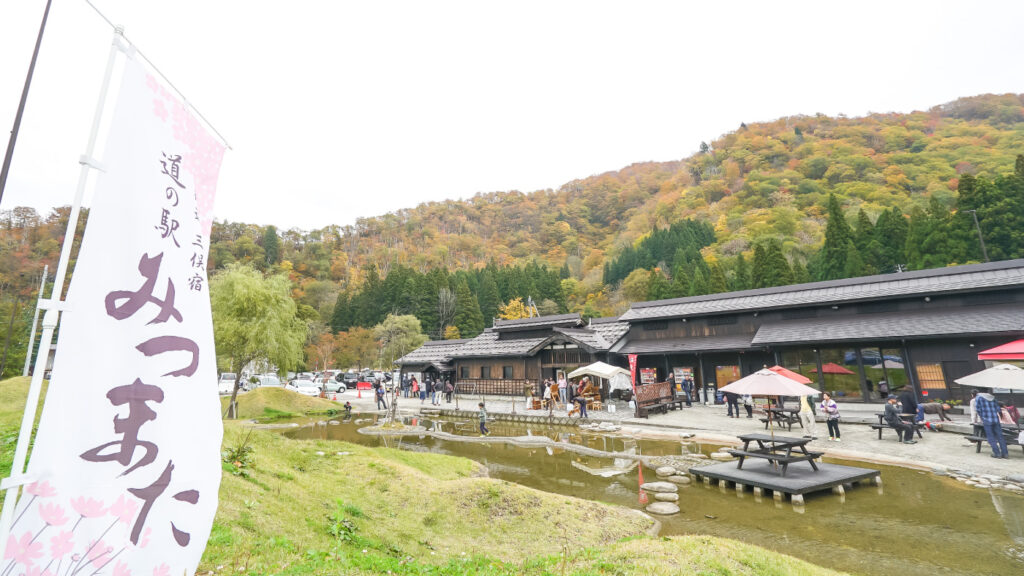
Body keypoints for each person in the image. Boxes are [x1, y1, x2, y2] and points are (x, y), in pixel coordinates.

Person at [974, 390, 1008, 458]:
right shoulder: (993, 397)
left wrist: (982, 417)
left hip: (986, 420)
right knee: (1000, 436)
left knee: (991, 437)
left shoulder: (978, 397)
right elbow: (998, 408)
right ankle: (1005, 453)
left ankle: (997, 453)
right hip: (995, 419)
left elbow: (977, 409)